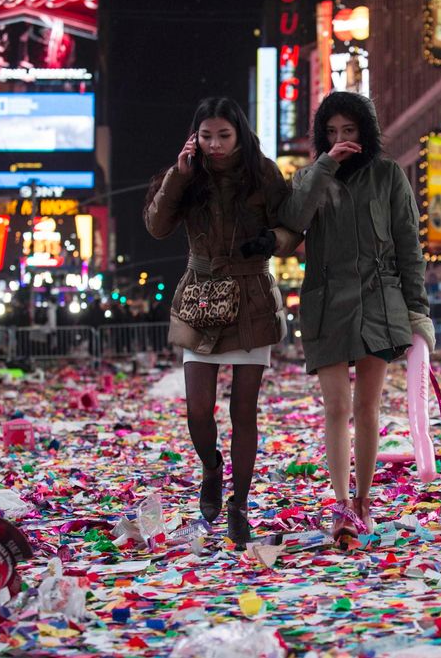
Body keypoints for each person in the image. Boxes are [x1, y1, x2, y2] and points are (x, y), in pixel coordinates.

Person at [143, 97, 301, 549]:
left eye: (224, 136)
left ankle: (239, 504)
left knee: (244, 411)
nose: (214, 145)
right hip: (201, 297)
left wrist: (274, 239)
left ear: (240, 135)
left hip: (251, 297)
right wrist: (180, 174)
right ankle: (211, 469)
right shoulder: (186, 174)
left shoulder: (264, 172)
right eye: (206, 135)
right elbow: (157, 225)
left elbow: (294, 228)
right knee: (198, 409)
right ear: (195, 135)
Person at [278, 91, 432, 546]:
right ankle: (341, 500)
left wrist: (417, 309)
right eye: (331, 132)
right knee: (335, 407)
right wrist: (324, 166)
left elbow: (410, 245)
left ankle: (363, 499)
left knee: (368, 407)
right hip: (326, 304)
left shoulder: (388, 176)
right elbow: (292, 218)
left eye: (349, 130)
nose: (341, 139)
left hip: (380, 302)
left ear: (365, 131)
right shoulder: (310, 177)